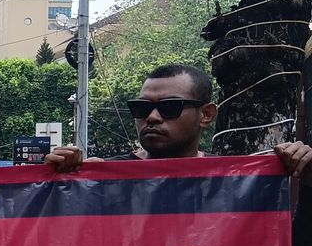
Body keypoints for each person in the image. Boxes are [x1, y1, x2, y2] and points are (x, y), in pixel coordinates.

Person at [42, 64, 311, 172]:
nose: (153, 117)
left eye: (170, 107)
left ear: (206, 114)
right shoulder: (101, 176)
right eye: (141, 108)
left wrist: (307, 177)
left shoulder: (235, 182)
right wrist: (52, 183)